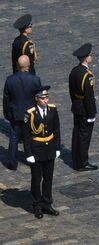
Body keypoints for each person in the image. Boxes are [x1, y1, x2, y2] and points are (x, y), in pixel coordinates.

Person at [22, 85, 61, 217]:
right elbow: (26, 135)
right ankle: (37, 204)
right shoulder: (30, 113)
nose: (46, 100)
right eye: (43, 98)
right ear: (37, 98)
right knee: (36, 179)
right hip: (36, 149)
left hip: (49, 149)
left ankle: (47, 203)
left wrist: (57, 147)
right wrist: (28, 153)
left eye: (47, 97)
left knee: (48, 179)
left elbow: (56, 130)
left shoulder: (53, 110)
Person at [4, 53, 41, 168]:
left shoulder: (10, 80)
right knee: (30, 138)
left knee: (14, 138)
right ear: (28, 65)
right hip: (30, 115)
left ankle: (12, 162)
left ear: (17, 65)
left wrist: (7, 114)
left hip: (15, 114)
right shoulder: (35, 80)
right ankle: (31, 160)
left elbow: (6, 99)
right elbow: (38, 99)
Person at [67, 43, 98, 171]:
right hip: (85, 109)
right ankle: (82, 162)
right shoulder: (87, 75)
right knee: (84, 137)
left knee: (77, 134)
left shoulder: (74, 71)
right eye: (90, 55)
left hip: (76, 106)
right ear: (86, 58)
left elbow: (71, 91)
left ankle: (76, 159)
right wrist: (92, 114)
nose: (91, 56)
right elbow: (89, 96)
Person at [12, 12, 37, 77]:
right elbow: (30, 63)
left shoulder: (16, 40)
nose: (31, 27)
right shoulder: (28, 44)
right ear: (26, 29)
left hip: (17, 73)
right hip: (27, 75)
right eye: (30, 25)